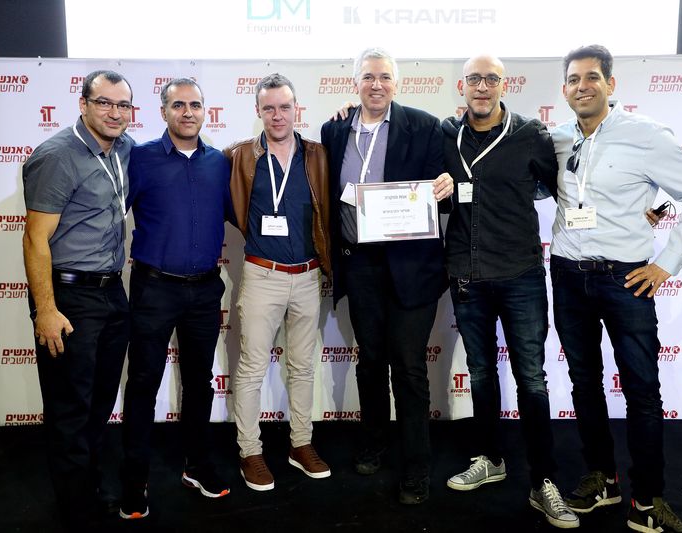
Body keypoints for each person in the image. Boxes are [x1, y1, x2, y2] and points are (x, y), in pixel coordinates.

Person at [550, 45, 682, 533]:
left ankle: (648, 498)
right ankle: (602, 479)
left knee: (642, 389)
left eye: (592, 77)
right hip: (567, 274)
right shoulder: (557, 138)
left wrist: (666, 263)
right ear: (564, 89)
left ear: (610, 84)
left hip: (626, 278)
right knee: (584, 383)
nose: (583, 86)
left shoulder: (646, 135)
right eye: (574, 79)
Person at [441, 54, 579, 529]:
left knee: (531, 379)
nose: (482, 87)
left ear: (504, 85)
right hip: (467, 274)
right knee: (481, 373)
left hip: (520, 274)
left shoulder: (530, 134)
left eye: (491, 79)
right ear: (462, 86)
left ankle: (544, 480)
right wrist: (348, 113)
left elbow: (565, 186)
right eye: (474, 79)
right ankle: (490, 458)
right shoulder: (446, 134)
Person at [320, 47, 453, 505]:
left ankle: (417, 466)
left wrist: (446, 184)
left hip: (412, 268)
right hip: (359, 265)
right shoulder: (335, 129)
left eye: (384, 77)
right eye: (368, 77)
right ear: (355, 82)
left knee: (410, 368)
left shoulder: (425, 126)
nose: (376, 85)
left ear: (397, 83)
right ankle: (373, 441)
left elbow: (445, 185)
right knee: (370, 361)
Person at [22, 69, 134, 530]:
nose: (114, 112)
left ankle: (89, 487)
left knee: (99, 403)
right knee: (70, 410)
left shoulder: (124, 149)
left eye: (122, 105)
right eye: (104, 102)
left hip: (113, 293)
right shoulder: (56, 156)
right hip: (69, 297)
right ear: (83, 104)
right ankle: (75, 511)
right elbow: (34, 239)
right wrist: (46, 310)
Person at [119, 78, 233, 519]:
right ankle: (135, 479)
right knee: (143, 382)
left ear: (205, 111)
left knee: (200, 382)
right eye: (179, 105)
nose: (188, 112)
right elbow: (112, 212)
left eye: (196, 105)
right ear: (163, 111)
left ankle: (197, 466)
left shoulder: (219, 162)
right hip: (154, 288)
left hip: (205, 289)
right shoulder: (140, 158)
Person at [225, 73, 331, 491]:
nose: (277, 115)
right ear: (258, 111)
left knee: (303, 367)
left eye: (284, 107)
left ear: (296, 108)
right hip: (261, 274)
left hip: (307, 276)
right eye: (268, 108)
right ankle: (249, 450)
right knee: (252, 368)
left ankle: (300, 444)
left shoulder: (317, 155)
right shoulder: (238, 156)